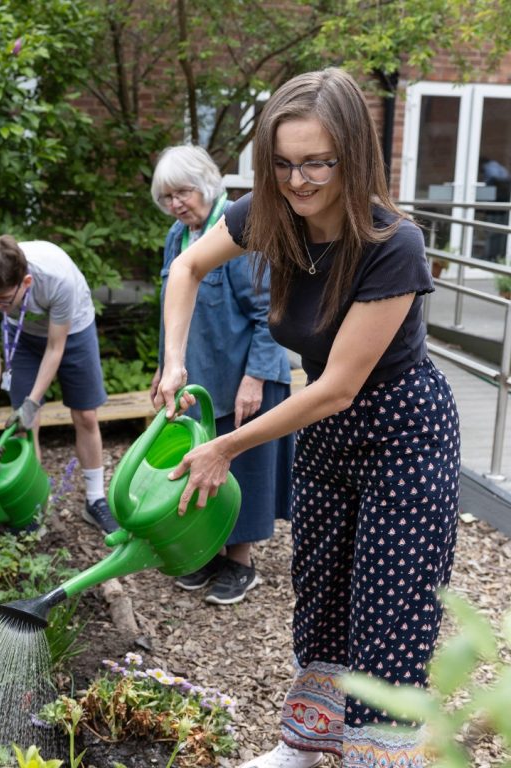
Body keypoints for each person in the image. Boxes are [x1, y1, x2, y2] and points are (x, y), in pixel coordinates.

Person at [153, 68, 460, 768]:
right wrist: (174, 361)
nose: (298, 181)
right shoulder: (268, 214)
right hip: (324, 433)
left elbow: (339, 388)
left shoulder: (392, 244)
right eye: (284, 163)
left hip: (399, 434)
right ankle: (305, 744)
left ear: (352, 155)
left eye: (317, 161)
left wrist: (225, 446)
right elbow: (186, 271)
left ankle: (375, 758)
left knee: (388, 610)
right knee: (320, 589)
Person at [149, 144, 294, 605]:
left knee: (241, 465)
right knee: (201, 462)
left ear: (207, 183)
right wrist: (163, 366)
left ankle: (241, 563)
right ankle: (211, 550)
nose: (176, 204)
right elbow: (172, 310)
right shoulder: (179, 236)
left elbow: (270, 311)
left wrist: (256, 377)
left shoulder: (238, 227)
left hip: (245, 373)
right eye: (167, 196)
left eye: (183, 192)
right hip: (201, 377)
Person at [0, 235, 118, 534]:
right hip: (22, 335)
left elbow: (55, 348)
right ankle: (33, 508)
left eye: (2, 300)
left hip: (74, 329)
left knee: (86, 415)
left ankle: (95, 499)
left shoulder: (57, 280)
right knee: (26, 427)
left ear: (25, 282)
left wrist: (32, 401)